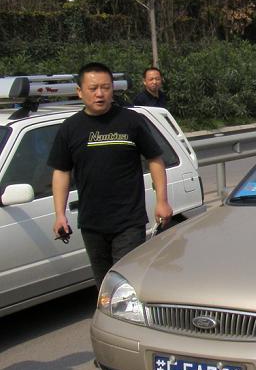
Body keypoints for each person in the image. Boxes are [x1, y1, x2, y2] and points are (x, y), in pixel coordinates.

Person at [49, 62, 173, 286]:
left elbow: (155, 159)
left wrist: (161, 201)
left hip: (129, 221)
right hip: (92, 223)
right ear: (80, 91)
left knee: (126, 281)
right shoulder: (70, 128)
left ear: (112, 89)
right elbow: (61, 171)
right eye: (93, 88)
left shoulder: (130, 121)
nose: (100, 94)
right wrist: (59, 214)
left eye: (105, 88)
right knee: (105, 283)